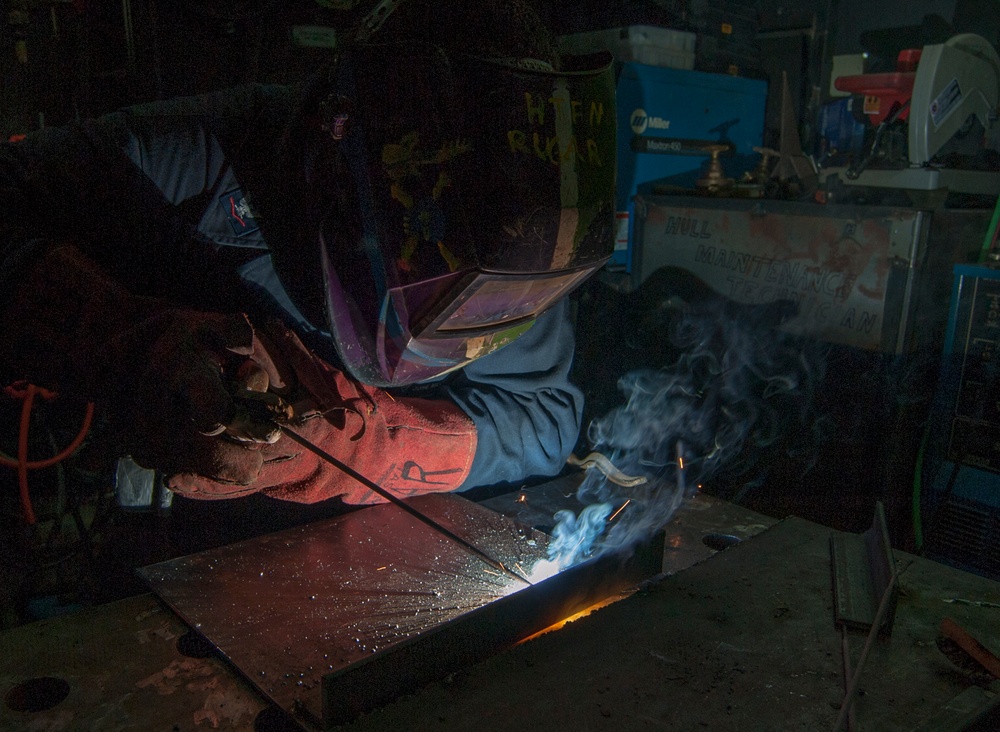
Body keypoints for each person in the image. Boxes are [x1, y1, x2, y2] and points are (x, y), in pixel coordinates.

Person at [0, 1, 616, 512]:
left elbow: (543, 420)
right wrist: (117, 337)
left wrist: (369, 444)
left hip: (378, 541)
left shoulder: (515, 237)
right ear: (340, 147)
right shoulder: (185, 163)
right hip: (199, 532)